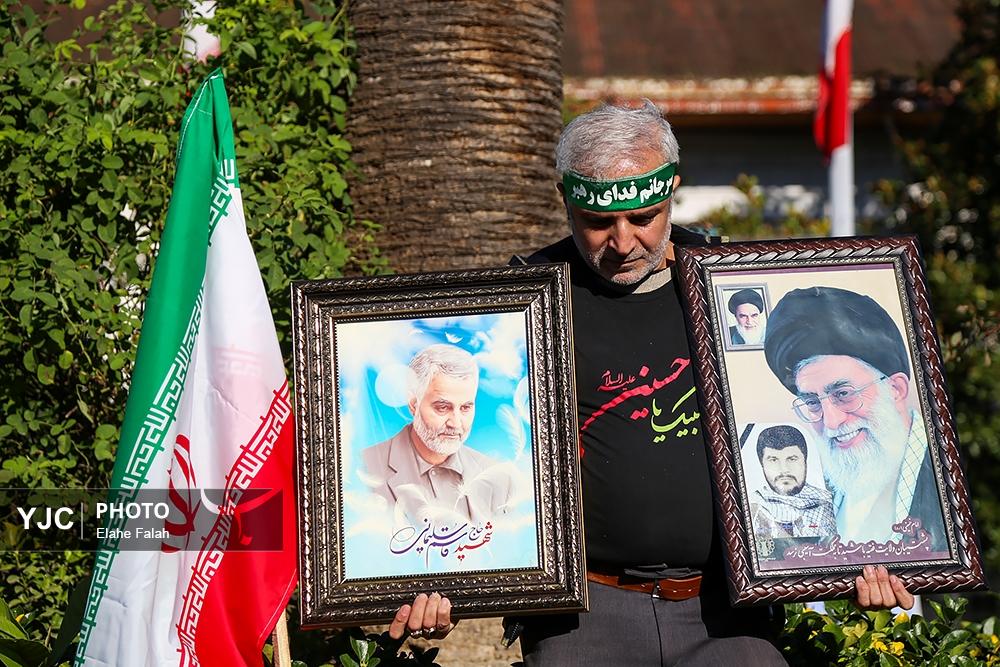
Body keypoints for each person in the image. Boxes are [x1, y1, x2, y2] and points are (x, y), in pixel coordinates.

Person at [386, 103, 913, 652]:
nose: (622, 242)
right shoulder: (523, 307)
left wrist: (859, 559)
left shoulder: (730, 287)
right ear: (565, 200)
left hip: (729, 616)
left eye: (643, 218)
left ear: (673, 192)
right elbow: (482, 454)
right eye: (598, 223)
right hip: (585, 619)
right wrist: (445, 584)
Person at [763, 287, 947, 550]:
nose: (831, 422)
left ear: (895, 389)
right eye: (812, 402)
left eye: (843, 394)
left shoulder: (952, 471)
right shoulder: (807, 485)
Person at [360, 343, 515, 526]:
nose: (456, 423)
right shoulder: (363, 470)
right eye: (442, 407)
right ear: (413, 404)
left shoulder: (500, 481)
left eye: (465, 408)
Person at [749, 425, 837, 540]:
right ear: (762, 464)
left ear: (805, 460)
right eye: (773, 460)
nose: (784, 469)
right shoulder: (751, 505)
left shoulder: (829, 504)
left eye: (792, 459)